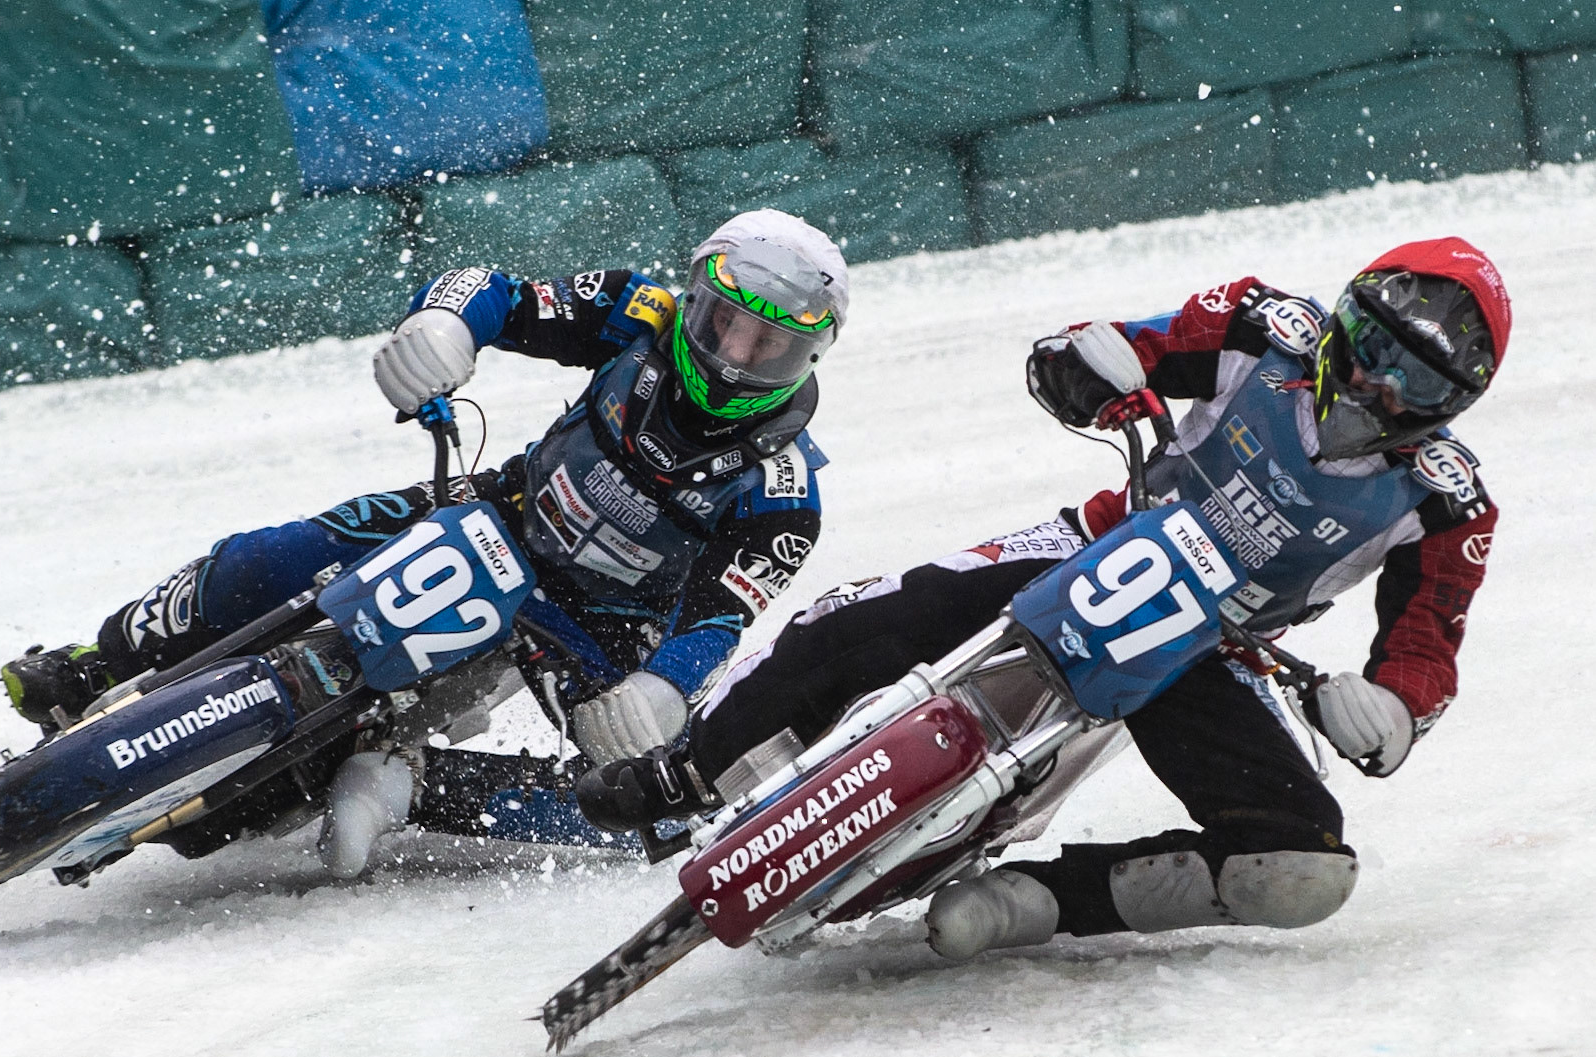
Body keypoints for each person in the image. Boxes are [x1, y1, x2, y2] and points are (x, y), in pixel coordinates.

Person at [578, 236, 1507, 957]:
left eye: (1417, 377)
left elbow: (1424, 654)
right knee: (869, 615)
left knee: (1300, 867)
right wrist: (1089, 367)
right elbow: (1113, 351)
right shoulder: (1259, 325)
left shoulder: (1445, 501)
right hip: (1096, 540)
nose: (1376, 383)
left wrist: (1389, 711)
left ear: (1456, 398)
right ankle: (689, 767)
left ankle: (1036, 901)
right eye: (1378, 347)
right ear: (1347, 315)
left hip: (1207, 646)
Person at [0, 209, 849, 876]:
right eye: (724, 325)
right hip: (505, 508)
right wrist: (446, 327)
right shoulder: (637, 314)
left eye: (768, 344)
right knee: (277, 555)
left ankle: (423, 788)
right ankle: (97, 661)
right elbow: (493, 288)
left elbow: (718, 619)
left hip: (609, 623)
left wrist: (664, 688)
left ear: (808, 355)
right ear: (693, 301)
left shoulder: (786, 493)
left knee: (653, 803)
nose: (735, 357)